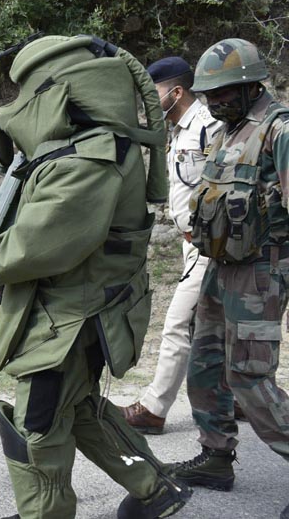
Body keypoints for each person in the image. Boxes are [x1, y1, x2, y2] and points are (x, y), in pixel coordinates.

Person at [0, 34, 191, 519]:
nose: (19, 104)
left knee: (39, 421)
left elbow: (44, 240)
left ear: (60, 89)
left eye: (28, 91)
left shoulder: (92, 156)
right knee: (78, 407)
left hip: (70, 317)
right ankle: (155, 488)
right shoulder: (87, 148)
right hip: (80, 309)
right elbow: (45, 202)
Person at [169, 38, 289, 516]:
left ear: (249, 86)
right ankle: (216, 456)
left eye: (222, 93)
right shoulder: (226, 130)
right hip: (221, 268)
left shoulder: (279, 130)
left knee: (248, 375)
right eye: (209, 94)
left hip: (261, 271)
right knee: (205, 360)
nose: (213, 102)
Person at [122, 57, 222, 434]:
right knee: (214, 326)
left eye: (156, 94)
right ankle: (240, 399)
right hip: (190, 245)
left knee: (179, 323)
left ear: (176, 93)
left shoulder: (209, 126)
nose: (151, 102)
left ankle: (154, 408)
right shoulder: (178, 130)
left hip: (210, 247)